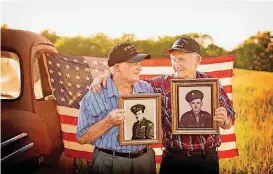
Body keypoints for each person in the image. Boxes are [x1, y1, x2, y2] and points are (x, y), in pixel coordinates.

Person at [90, 36, 235, 174]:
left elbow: (229, 122)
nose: (176, 65)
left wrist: (224, 120)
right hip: (173, 159)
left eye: (181, 59)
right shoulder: (161, 84)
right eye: (173, 59)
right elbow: (130, 82)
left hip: (206, 159)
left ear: (197, 60)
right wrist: (109, 77)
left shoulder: (212, 85)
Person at [76, 43, 156, 174]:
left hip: (145, 161)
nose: (139, 68)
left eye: (139, 63)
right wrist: (108, 122)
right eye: (133, 64)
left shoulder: (147, 88)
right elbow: (82, 138)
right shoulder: (94, 95)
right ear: (117, 68)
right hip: (110, 163)